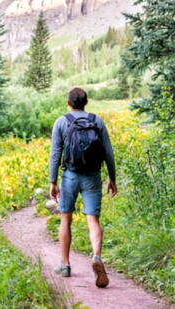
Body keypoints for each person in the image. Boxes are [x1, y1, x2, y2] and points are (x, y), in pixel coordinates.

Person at [49, 87, 117, 288]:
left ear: (68, 103)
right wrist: (112, 178)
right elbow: (109, 153)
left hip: (70, 176)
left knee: (65, 218)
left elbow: (55, 154)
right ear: (86, 103)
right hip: (93, 177)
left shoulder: (61, 122)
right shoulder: (97, 121)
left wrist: (53, 182)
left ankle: (65, 265)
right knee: (93, 219)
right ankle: (96, 256)